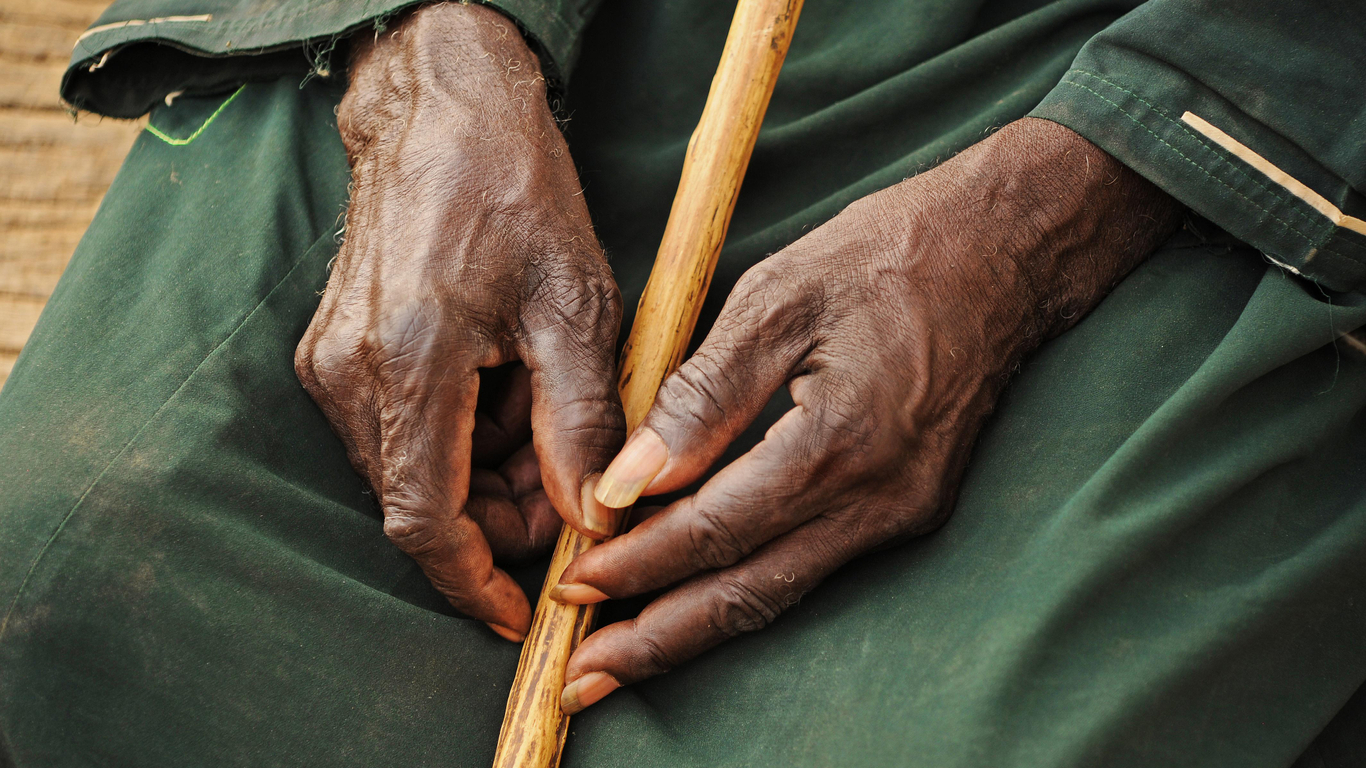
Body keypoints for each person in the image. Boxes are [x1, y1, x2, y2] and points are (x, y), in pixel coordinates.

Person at [2, 0, 1365, 764]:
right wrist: (439, 51)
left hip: (1230, 80)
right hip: (533, 32)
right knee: (61, 580)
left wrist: (1052, 214)